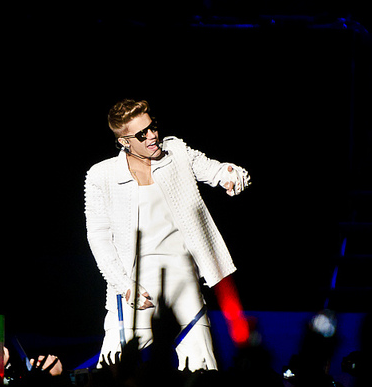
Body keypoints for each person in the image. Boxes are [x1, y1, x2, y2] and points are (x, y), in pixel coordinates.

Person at [84, 99, 251, 371]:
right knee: (109, 376)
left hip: (184, 284)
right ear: (125, 141)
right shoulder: (102, 175)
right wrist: (124, 285)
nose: (152, 136)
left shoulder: (176, 153)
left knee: (204, 373)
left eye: (153, 127)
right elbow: (98, 237)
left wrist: (232, 175)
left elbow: (216, 170)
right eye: (142, 134)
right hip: (136, 291)